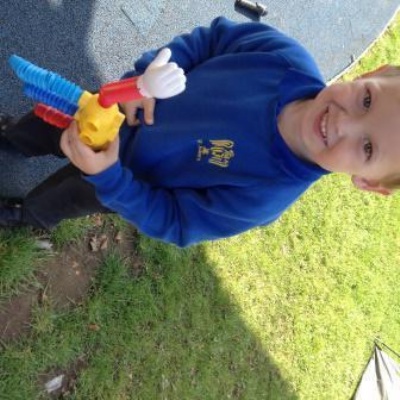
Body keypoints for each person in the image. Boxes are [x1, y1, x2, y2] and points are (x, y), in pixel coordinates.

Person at [1, 16, 399, 247]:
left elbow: (177, 221)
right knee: (44, 125)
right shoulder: (282, 56)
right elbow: (210, 40)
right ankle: (11, 138)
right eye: (367, 100)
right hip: (112, 111)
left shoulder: (264, 196)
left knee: (64, 197)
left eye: (367, 147)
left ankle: (25, 215)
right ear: (373, 73)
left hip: (122, 180)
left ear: (367, 182)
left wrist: (111, 181)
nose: (343, 122)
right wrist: (144, 78)